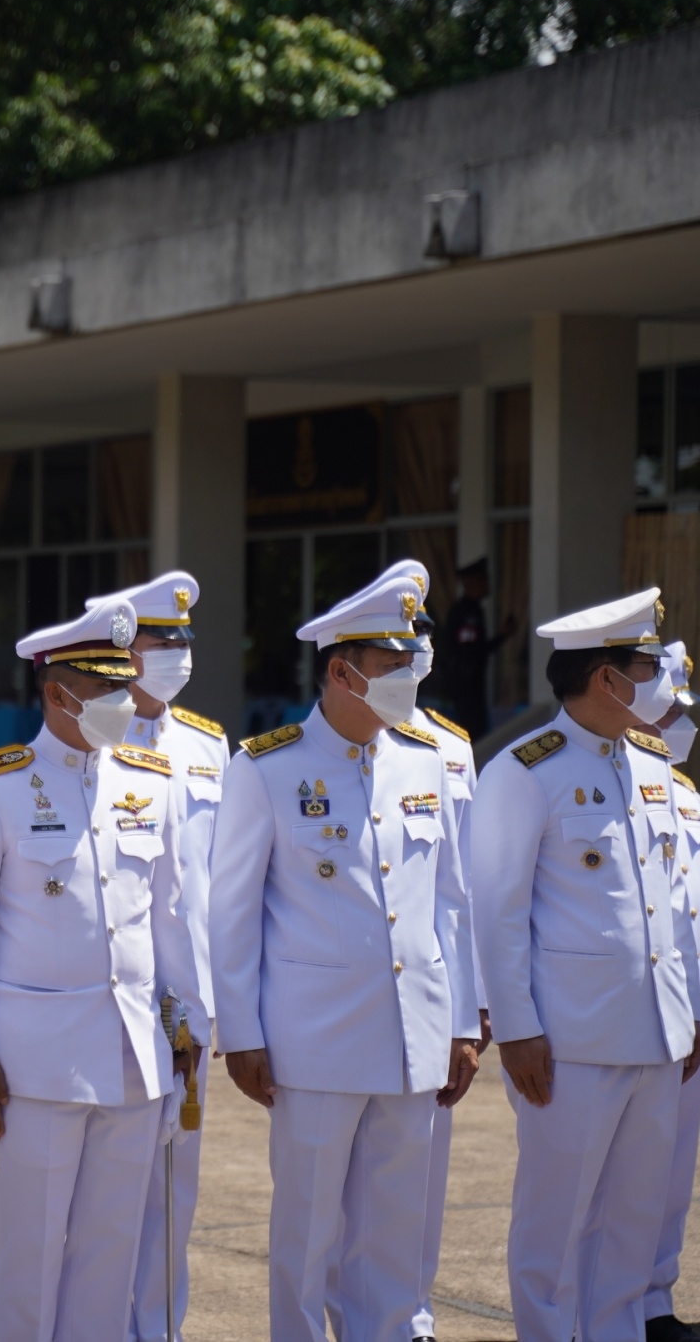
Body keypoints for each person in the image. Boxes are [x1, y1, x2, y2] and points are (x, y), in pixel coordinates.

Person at [209, 569, 480, 1342]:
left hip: (412, 1034)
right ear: (340, 671)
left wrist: (462, 1017)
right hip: (315, 1042)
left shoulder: (426, 759)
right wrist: (245, 1034)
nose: (408, 679)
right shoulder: (267, 767)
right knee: (307, 1229)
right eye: (393, 666)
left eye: (411, 664)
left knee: (395, 1225)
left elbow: (450, 901)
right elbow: (232, 914)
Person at [0, 595, 204, 1342]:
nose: (125, 700)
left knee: (109, 1251)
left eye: (127, 683)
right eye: (106, 688)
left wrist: (189, 1030)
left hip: (134, 1059)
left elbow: (170, 919)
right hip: (34, 1064)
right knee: (29, 1249)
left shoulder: (150, 781)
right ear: (58, 694)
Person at [470, 587, 700, 1342]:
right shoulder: (523, 770)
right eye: (647, 663)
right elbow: (497, 912)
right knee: (555, 1227)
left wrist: (688, 1009)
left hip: (655, 1034)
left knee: (631, 1226)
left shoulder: (652, 762)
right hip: (568, 1042)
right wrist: (518, 1029)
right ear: (607, 679)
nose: (662, 676)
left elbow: (671, 903)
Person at [81, 571, 226, 1342]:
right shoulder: (92, 746)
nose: (174, 654)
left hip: (187, 1005)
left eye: (181, 641)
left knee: (175, 1188)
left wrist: (215, 1005)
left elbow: (224, 885)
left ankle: (159, 1329)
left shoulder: (208, 745)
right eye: (159, 641)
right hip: (112, 998)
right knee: (103, 1194)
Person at [401, 564, 489, 1342]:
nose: (420, 650)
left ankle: (413, 1316)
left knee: (423, 1181)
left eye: (422, 636)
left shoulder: (452, 748)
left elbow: (461, 893)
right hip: (345, 1008)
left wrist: (471, 1008)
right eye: (406, 639)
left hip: (431, 999)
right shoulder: (289, 761)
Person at [641, 642, 700, 1342]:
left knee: (672, 1171)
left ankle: (654, 1301)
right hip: (626, 1013)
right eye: (669, 709)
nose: (680, 724)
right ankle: (594, 1305)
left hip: (686, 1013)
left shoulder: (690, 794)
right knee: (612, 1181)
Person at [436, 558, 516, 739]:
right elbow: (470, 652)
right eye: (484, 581)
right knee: (471, 733)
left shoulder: (473, 610)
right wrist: (501, 637)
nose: (488, 585)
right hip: (465, 686)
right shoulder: (466, 613)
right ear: (473, 583)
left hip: (471, 685)